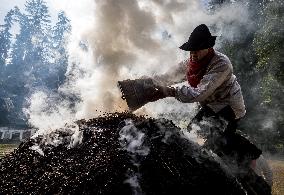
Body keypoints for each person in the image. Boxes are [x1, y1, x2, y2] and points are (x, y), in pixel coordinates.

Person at [153, 24, 246, 135]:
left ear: (207, 47)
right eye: (191, 50)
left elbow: (200, 93)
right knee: (194, 132)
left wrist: (171, 91)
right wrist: (151, 81)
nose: (193, 54)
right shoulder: (191, 63)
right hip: (211, 105)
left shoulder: (221, 64)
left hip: (228, 107)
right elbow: (170, 76)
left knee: (204, 138)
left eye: (196, 50)